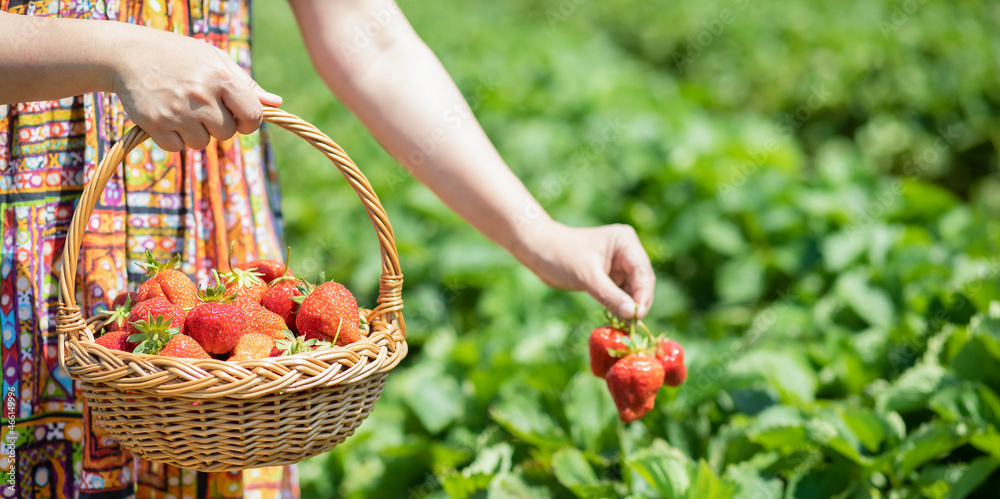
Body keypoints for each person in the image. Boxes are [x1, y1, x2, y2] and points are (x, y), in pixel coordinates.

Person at [0, 0, 655, 497]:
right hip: (21, 249)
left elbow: (371, 38)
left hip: (214, 246)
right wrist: (114, 52)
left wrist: (537, 232)